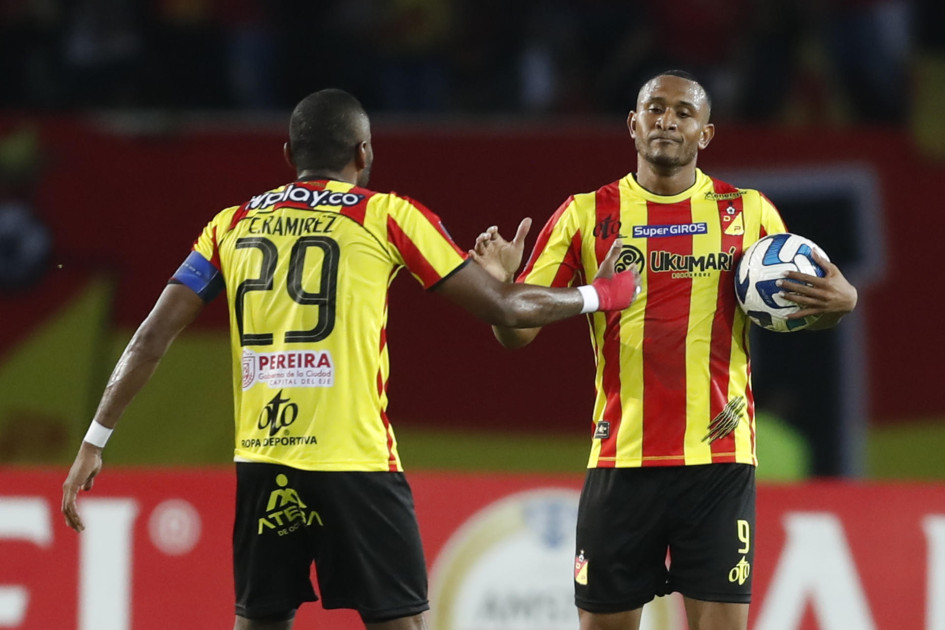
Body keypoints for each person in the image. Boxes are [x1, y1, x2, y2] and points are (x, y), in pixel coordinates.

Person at [60, 88, 641, 630]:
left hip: (266, 463)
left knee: (260, 622)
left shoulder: (230, 225)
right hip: (354, 465)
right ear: (364, 152)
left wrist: (94, 440)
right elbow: (507, 309)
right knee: (401, 622)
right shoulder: (386, 215)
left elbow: (150, 337)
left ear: (289, 153)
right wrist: (603, 294)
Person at [470, 70, 858, 630]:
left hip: (718, 462)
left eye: (683, 112)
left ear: (706, 134)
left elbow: (804, 313)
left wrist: (840, 303)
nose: (667, 120)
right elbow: (515, 333)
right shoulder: (585, 214)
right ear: (632, 124)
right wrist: (500, 292)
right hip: (622, 459)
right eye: (654, 109)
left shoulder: (749, 213)